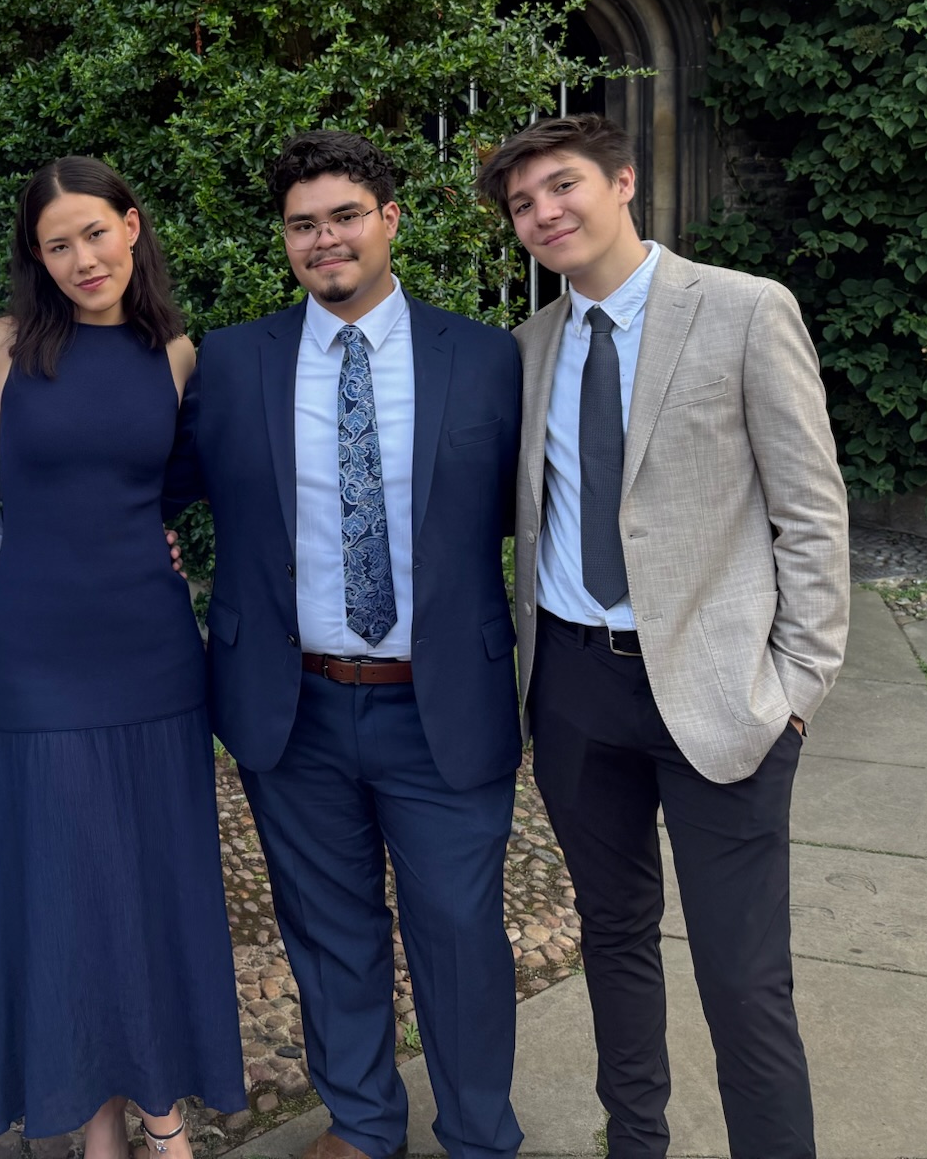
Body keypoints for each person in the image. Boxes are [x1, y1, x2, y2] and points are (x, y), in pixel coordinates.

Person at [479, 113, 848, 1159]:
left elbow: (811, 512)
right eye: (521, 204)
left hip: (720, 695)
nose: (543, 212)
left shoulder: (739, 311)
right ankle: (633, 1139)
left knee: (741, 975)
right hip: (572, 691)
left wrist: (798, 689)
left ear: (622, 180)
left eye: (560, 186)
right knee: (613, 939)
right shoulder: (528, 349)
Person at [181, 131, 524, 1159]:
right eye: (301, 224)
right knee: (328, 936)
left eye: (342, 217)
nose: (322, 240)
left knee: (460, 937)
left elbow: (539, 507)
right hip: (294, 706)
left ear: (389, 220)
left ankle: (477, 1135)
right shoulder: (233, 361)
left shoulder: (485, 357)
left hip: (441, 702)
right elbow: (150, 482)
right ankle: (365, 1125)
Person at [0, 156, 245, 1158]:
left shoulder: (175, 351)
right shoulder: (1, 347)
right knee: (65, 873)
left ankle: (160, 1110)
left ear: (131, 226)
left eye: (94, 232)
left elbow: (180, 486)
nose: (82, 258)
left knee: (154, 871)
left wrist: (162, 539)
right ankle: (97, 1126)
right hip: (39, 640)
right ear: (35, 259)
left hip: (150, 641)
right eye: (57, 244)